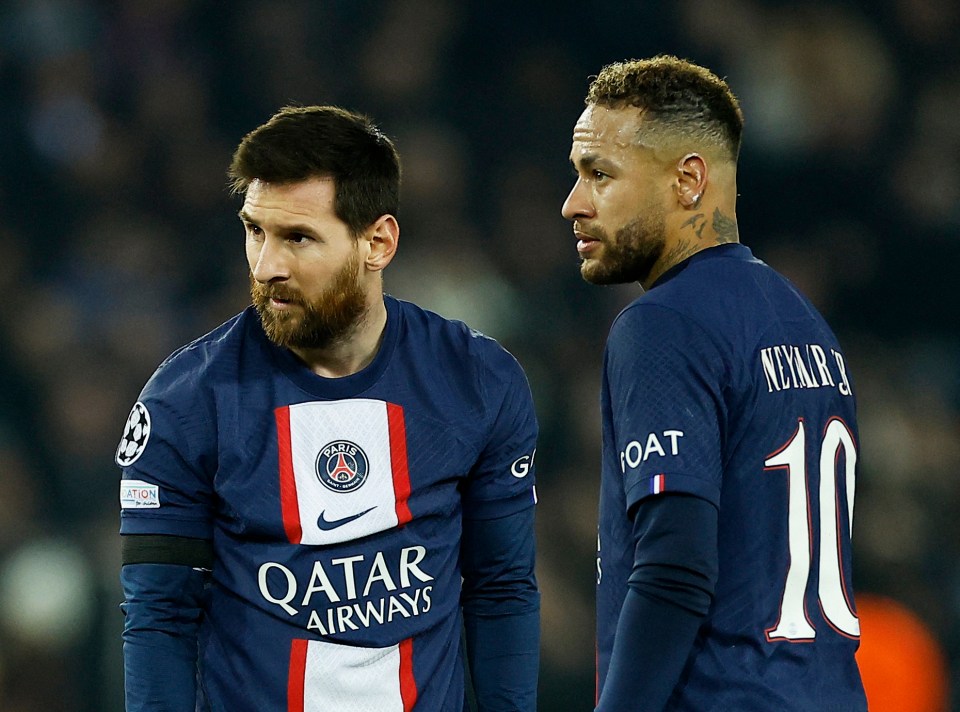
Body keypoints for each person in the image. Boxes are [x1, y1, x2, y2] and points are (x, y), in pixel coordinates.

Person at [116, 105, 540, 711]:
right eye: (255, 230)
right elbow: (159, 619)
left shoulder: (477, 381)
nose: (267, 266)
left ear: (378, 243)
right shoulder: (185, 404)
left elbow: (501, 590)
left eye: (298, 238)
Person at [561, 56, 867, 711]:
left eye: (600, 174)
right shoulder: (806, 324)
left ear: (688, 179)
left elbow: (674, 566)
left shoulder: (664, 323)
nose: (574, 204)